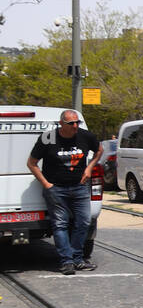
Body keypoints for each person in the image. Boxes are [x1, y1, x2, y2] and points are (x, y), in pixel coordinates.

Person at [27, 109, 100, 274]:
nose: (75, 126)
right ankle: (67, 262)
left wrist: (89, 168)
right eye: (71, 123)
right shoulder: (48, 138)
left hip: (80, 188)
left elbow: (99, 150)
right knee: (60, 225)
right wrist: (46, 184)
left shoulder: (85, 136)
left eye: (77, 122)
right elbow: (32, 163)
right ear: (61, 124)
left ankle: (78, 259)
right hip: (56, 189)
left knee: (83, 223)